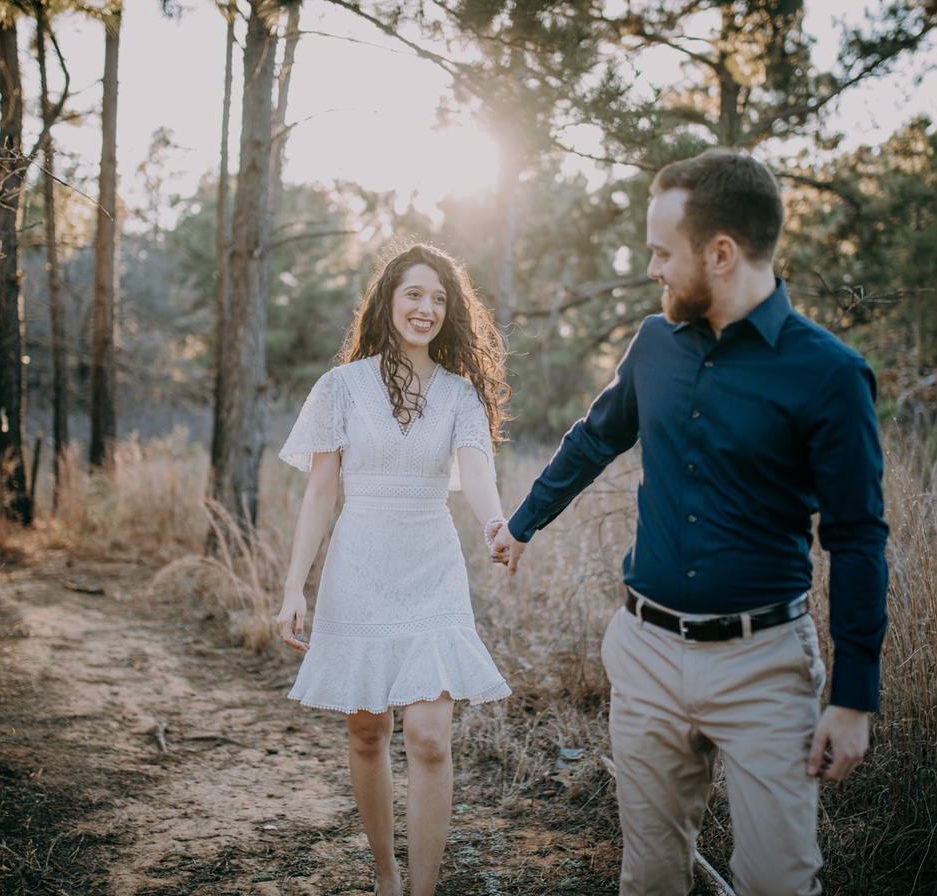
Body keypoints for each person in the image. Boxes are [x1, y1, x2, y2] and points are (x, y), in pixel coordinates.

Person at [490, 149, 889, 896]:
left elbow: (859, 536)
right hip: (644, 654)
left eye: (661, 252)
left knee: (778, 882)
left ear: (722, 253)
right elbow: (596, 436)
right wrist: (523, 523)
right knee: (650, 881)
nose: (652, 269)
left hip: (765, 665)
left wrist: (855, 694)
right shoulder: (654, 344)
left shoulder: (830, 375)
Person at [274, 243, 511, 896]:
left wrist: (497, 526)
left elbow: (479, 474)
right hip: (359, 565)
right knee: (367, 729)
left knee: (430, 737)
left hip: (432, 566)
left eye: (439, 299)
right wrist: (296, 586)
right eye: (414, 294)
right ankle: (385, 876)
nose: (426, 308)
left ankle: (423, 890)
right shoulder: (340, 388)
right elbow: (321, 492)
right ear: (387, 301)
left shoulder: (462, 395)